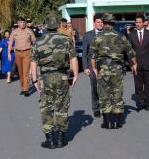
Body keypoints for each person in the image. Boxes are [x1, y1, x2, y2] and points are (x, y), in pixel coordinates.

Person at [30, 13, 78, 149]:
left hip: (45, 77)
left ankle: (50, 140)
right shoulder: (65, 39)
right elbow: (73, 58)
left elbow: (33, 62)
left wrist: (34, 79)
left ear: (45, 25)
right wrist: (75, 75)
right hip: (62, 76)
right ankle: (62, 138)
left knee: (46, 107)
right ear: (57, 25)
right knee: (62, 106)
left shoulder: (38, 41)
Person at [90, 13, 137, 129]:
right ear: (113, 23)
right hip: (117, 68)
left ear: (104, 23)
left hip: (103, 69)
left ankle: (107, 122)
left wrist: (94, 69)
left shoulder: (97, 37)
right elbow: (131, 53)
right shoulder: (121, 36)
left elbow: (92, 56)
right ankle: (117, 122)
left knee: (104, 95)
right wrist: (134, 65)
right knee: (117, 94)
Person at [128, 14, 149, 111]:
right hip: (136, 65)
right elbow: (129, 52)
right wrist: (131, 65)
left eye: (140, 22)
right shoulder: (131, 34)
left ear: (144, 23)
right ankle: (140, 102)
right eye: (136, 22)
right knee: (138, 85)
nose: (138, 24)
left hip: (148, 64)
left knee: (147, 85)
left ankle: (147, 103)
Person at [82, 13, 104, 118]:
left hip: (105, 66)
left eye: (102, 22)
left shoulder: (107, 34)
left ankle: (105, 107)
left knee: (105, 88)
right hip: (92, 66)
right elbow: (84, 53)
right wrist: (85, 67)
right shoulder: (88, 35)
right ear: (94, 23)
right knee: (94, 89)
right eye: (98, 22)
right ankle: (96, 108)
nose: (100, 24)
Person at [8, 17, 36, 97]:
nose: (22, 24)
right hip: (18, 53)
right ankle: (22, 87)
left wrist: (34, 51)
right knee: (20, 72)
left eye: (24, 22)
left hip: (27, 52)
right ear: (18, 23)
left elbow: (34, 41)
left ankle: (26, 89)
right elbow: (10, 42)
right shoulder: (14, 32)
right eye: (21, 22)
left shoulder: (29, 31)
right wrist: (9, 54)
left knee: (26, 71)